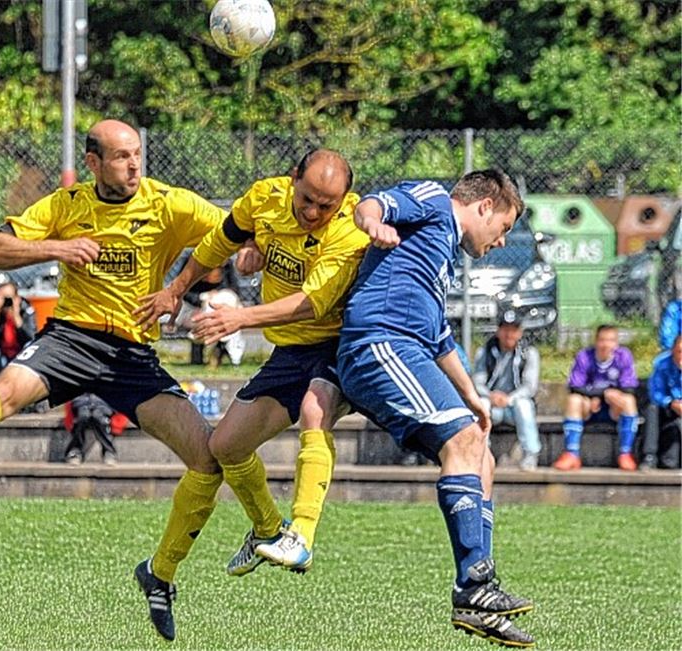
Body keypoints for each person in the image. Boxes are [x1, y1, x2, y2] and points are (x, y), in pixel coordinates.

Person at [0, 119, 225, 642]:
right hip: (71, 340)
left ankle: (159, 573)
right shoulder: (65, 206)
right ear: (93, 163)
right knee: (1, 394)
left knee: (208, 460)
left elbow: (232, 235)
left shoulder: (169, 203)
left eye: (137, 155)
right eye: (121, 157)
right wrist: (58, 248)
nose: (133, 165)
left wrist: (183, 284)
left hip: (131, 353)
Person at [136, 149, 367, 576]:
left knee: (317, 408)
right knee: (225, 446)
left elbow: (310, 304)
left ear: (344, 200)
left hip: (340, 344)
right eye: (307, 200)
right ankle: (266, 528)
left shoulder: (349, 230)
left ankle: (302, 533)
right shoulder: (264, 199)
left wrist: (239, 318)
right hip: (291, 350)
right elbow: (218, 242)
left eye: (326, 205)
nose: (314, 211)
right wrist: (177, 288)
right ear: (293, 178)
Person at [335, 170, 535, 647]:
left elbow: (438, 334)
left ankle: (477, 590)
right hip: (379, 343)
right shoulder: (434, 201)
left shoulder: (440, 253)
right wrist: (373, 224)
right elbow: (372, 204)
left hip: (409, 350)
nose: (501, 240)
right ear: (485, 205)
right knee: (464, 442)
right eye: (503, 227)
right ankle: (473, 580)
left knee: (480, 452)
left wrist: (472, 396)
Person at [552, 324, 640, 471]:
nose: (606, 345)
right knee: (573, 400)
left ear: (616, 342)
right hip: (589, 408)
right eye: (602, 340)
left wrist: (608, 394)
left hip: (613, 409)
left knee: (628, 401)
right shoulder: (584, 356)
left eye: (611, 340)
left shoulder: (623, 356)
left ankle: (625, 454)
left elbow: (630, 387)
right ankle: (571, 454)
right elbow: (575, 386)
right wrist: (600, 394)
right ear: (596, 341)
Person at [472, 314, 541, 471]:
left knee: (524, 405)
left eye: (513, 330)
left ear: (520, 332)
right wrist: (491, 395)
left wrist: (509, 399)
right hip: (492, 407)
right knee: (481, 403)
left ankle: (530, 454)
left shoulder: (529, 353)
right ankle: (481, 452)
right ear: (498, 331)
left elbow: (530, 387)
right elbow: (477, 383)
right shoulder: (485, 351)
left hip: (514, 408)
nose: (509, 334)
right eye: (505, 329)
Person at [640, 334, 682, 470]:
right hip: (666, 408)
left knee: (671, 462)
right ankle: (649, 456)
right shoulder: (662, 364)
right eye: (680, 351)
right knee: (652, 408)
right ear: (673, 350)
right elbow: (655, 392)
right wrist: (671, 403)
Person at [63, 392, 126, 465]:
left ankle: (109, 452)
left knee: (98, 417)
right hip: (82, 402)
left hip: (103, 403)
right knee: (82, 417)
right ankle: (75, 451)